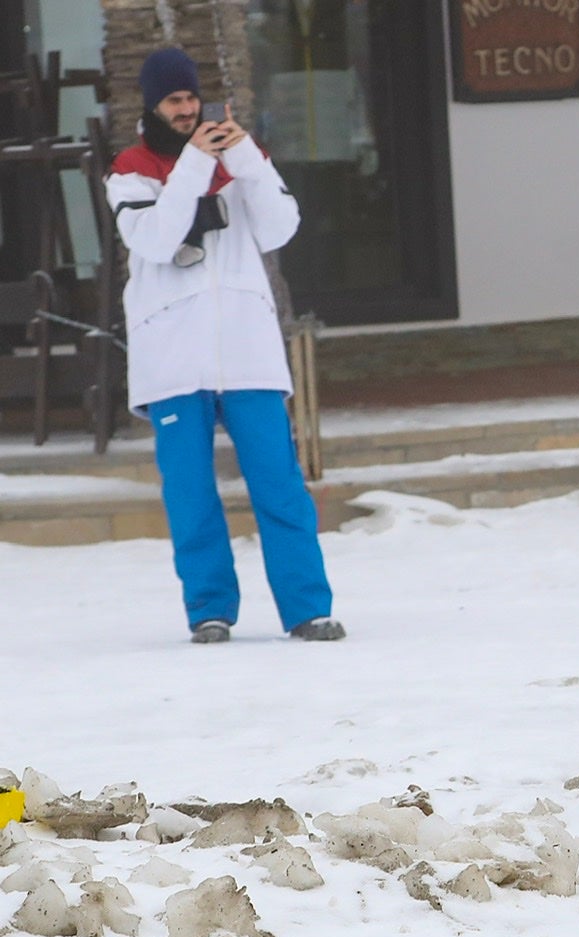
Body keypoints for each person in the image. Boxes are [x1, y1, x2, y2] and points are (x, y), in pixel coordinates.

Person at [106, 47, 344, 644]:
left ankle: (307, 608)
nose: (187, 109)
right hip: (172, 357)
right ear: (153, 106)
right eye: (174, 100)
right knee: (190, 494)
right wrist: (193, 162)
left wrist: (245, 157)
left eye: (192, 98)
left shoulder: (239, 161)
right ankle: (209, 610)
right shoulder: (130, 170)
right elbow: (155, 240)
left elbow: (280, 228)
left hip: (247, 351)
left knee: (280, 484)